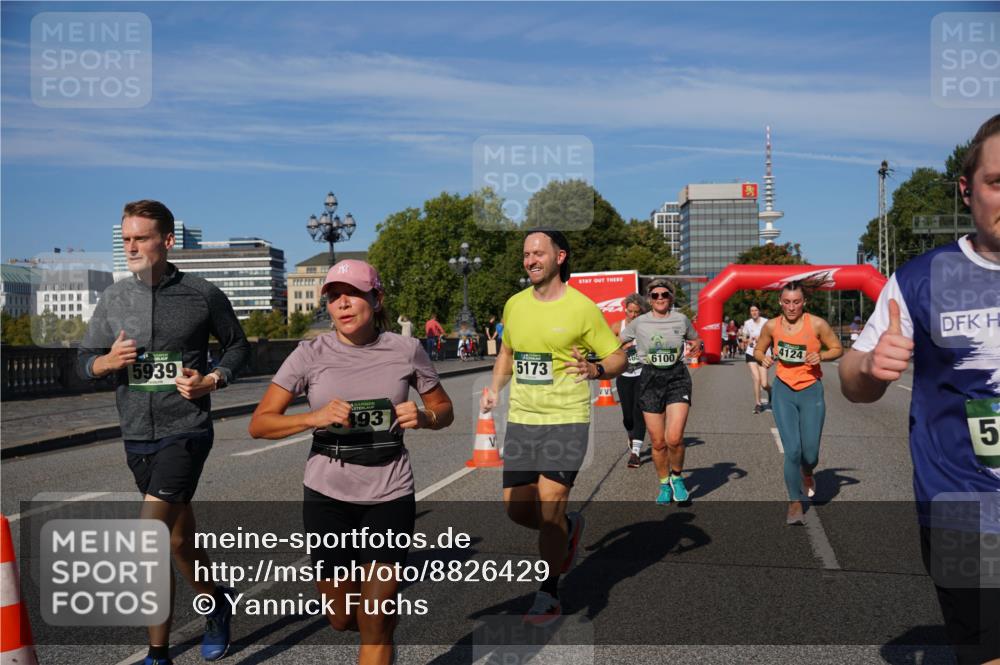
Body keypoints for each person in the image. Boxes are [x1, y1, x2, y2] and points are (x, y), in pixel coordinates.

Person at [839, 114, 1000, 665]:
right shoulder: (919, 279)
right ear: (967, 189)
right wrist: (868, 368)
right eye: (997, 182)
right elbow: (852, 383)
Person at [248, 259, 454, 665]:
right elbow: (260, 424)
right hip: (328, 495)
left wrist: (426, 418)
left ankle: (378, 632)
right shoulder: (308, 354)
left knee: (374, 618)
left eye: (353, 295)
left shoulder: (406, 350)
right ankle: (374, 627)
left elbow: (444, 409)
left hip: (390, 490)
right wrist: (314, 417)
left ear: (376, 299)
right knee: (342, 618)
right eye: (334, 297)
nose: (342, 305)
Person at [77, 200, 250, 665]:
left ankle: (158, 654)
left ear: (167, 241)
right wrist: (105, 363)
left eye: (141, 238)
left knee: (149, 536)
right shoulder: (114, 298)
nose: (131, 246)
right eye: (126, 238)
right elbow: (82, 362)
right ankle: (217, 602)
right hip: (136, 435)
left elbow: (238, 347)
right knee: (178, 540)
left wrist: (213, 380)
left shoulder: (202, 294)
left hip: (186, 430)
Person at [480, 229, 625, 626]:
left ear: (560, 257)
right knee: (517, 509)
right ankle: (567, 527)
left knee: (548, 508)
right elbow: (508, 353)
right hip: (524, 420)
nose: (530, 260)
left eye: (538, 253)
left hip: (566, 418)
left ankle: (548, 592)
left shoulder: (581, 308)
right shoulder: (515, 305)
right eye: (526, 254)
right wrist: (494, 389)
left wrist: (595, 369)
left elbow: (617, 359)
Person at [755, 282, 842, 525]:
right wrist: (765, 357)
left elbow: (837, 348)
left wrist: (822, 355)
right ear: (780, 302)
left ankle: (808, 472)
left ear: (804, 302)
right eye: (787, 302)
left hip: (811, 390)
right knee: (792, 449)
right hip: (783, 390)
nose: (791, 307)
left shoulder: (817, 324)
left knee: (810, 453)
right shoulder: (771, 325)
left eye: (796, 302)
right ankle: (794, 502)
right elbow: (759, 350)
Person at [621, 279, 701, 505]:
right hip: (649, 379)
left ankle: (677, 477)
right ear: (649, 299)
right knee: (658, 442)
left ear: (671, 298)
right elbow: (616, 342)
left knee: (674, 438)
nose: (660, 299)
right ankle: (664, 483)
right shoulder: (639, 323)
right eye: (655, 295)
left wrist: (698, 344)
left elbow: (696, 339)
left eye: (664, 294)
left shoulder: (681, 319)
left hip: (677, 377)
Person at [612, 293, 648, 468]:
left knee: (638, 411)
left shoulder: (646, 326)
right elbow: (607, 347)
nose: (633, 315)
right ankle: (631, 434)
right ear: (625, 309)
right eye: (630, 311)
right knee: (628, 416)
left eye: (637, 312)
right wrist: (622, 346)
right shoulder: (618, 326)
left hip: (642, 373)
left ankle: (635, 453)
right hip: (624, 375)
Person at [742, 304, 772, 414]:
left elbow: (772, 336)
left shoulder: (766, 322)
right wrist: (747, 340)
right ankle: (758, 404)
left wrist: (762, 337)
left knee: (764, 384)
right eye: (752, 310)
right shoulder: (747, 323)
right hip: (751, 353)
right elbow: (744, 337)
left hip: (764, 354)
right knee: (756, 379)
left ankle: (771, 391)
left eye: (756, 310)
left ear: (759, 311)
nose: (754, 312)